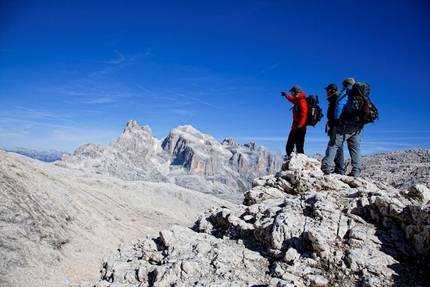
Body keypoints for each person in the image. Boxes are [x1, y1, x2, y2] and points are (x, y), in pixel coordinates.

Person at [321, 78, 363, 177]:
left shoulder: (346, 91)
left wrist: (336, 120)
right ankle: (356, 172)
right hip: (358, 125)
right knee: (355, 148)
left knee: (333, 144)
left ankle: (326, 167)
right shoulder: (359, 93)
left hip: (346, 124)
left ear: (344, 85)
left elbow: (339, 104)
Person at [281, 85, 308, 157]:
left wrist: (300, 125)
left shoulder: (302, 102)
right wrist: (285, 95)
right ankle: (291, 160)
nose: (291, 94)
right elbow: (291, 99)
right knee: (289, 146)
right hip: (295, 127)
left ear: (294, 92)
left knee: (299, 147)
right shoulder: (297, 100)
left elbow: (304, 115)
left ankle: (301, 164)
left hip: (300, 128)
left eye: (291, 92)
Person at [324, 83, 345, 175]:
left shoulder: (336, 99)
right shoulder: (335, 98)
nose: (326, 92)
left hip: (336, 126)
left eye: (327, 90)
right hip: (335, 125)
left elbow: (337, 111)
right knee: (337, 146)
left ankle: (339, 169)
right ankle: (338, 168)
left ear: (331, 90)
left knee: (336, 146)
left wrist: (336, 123)